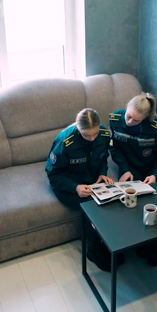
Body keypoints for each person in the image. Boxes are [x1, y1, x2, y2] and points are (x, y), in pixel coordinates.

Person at [46, 108, 123, 271]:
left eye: (95, 134)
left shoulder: (104, 134)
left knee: (114, 200)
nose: (92, 138)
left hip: (92, 180)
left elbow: (103, 158)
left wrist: (102, 174)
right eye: (87, 135)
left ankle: (111, 244)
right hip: (68, 184)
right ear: (78, 128)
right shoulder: (64, 142)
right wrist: (75, 188)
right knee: (93, 207)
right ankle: (93, 250)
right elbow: (53, 175)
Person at [108, 93, 157, 265]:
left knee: (153, 208)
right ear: (126, 107)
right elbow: (114, 149)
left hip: (151, 170)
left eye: (136, 120)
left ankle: (154, 247)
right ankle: (131, 243)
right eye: (128, 116)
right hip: (129, 168)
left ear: (145, 118)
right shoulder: (114, 119)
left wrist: (155, 175)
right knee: (128, 207)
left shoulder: (156, 127)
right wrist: (125, 169)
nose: (129, 122)